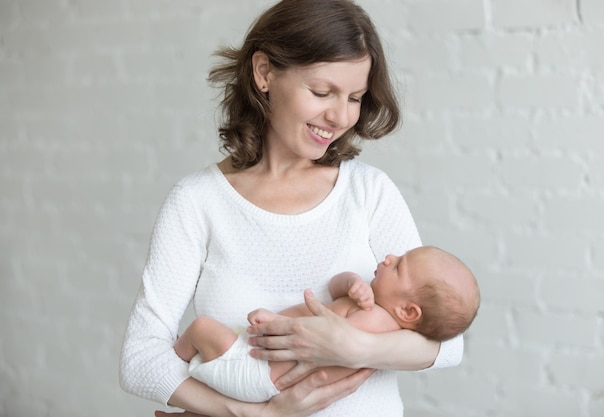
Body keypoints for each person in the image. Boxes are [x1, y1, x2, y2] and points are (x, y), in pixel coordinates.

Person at [119, 0, 466, 416]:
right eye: (322, 92)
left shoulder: (369, 192)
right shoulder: (197, 201)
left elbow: (446, 343)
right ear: (264, 73)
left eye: (355, 97)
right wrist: (258, 415)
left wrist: (354, 346)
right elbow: (140, 360)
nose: (340, 116)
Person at [174, 246, 479, 403]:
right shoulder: (371, 306)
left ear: (408, 311)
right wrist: (352, 283)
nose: (389, 256)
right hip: (260, 365)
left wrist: (277, 322)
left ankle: (174, 355)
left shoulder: (376, 322)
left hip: (258, 367)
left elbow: (314, 340)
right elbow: (334, 293)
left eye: (398, 266)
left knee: (201, 328)